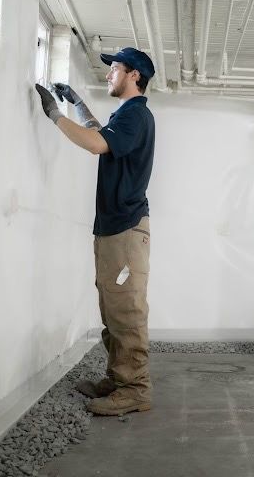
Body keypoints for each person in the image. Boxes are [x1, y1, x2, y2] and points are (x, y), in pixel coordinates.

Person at [34, 47, 155, 415]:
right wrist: (77, 103)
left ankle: (135, 389)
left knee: (127, 312)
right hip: (114, 228)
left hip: (125, 229)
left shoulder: (136, 115)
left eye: (115, 69)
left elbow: (96, 144)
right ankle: (120, 378)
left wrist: (54, 115)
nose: (108, 74)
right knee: (112, 309)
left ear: (134, 75)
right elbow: (102, 134)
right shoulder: (126, 115)